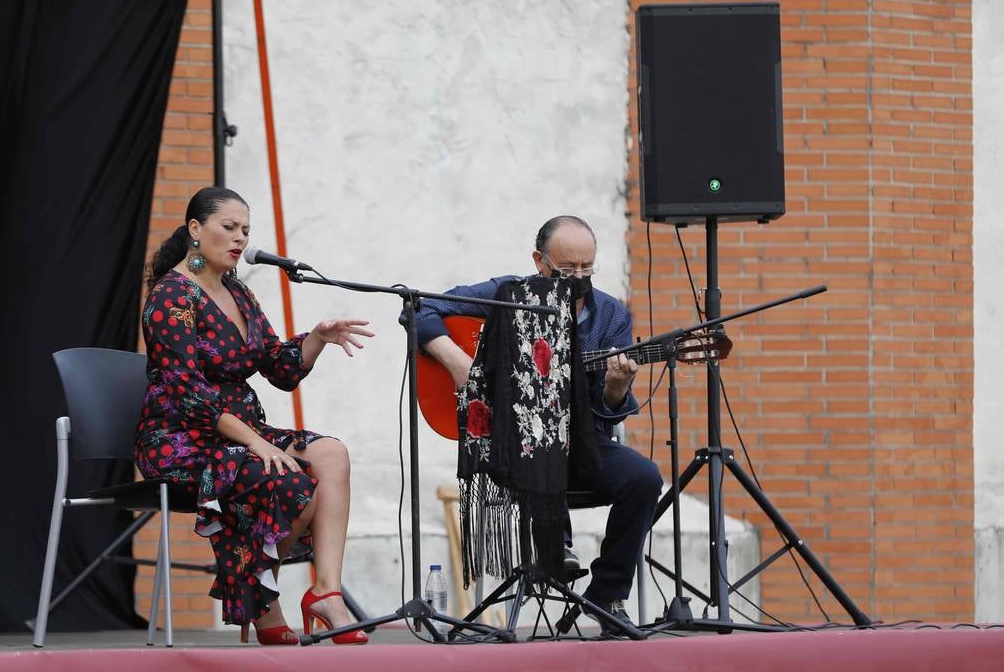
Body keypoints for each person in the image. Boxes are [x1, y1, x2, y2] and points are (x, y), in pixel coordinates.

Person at [134, 187, 375, 645]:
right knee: (294, 486)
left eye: (245, 230)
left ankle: (325, 592)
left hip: (239, 431)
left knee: (331, 454)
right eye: (229, 228)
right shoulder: (171, 296)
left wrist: (318, 338)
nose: (240, 238)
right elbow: (188, 394)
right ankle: (262, 604)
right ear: (195, 230)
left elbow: (280, 369)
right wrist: (254, 442)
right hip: (181, 438)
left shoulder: (237, 293)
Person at [417, 215, 662, 635]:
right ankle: (555, 547)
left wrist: (617, 387)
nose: (579, 278)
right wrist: (461, 364)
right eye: (568, 270)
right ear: (540, 260)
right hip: (516, 441)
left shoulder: (610, 317)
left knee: (644, 477)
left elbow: (609, 412)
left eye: (588, 268)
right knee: (541, 446)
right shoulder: (506, 295)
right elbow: (422, 308)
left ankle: (606, 594)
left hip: (585, 445)